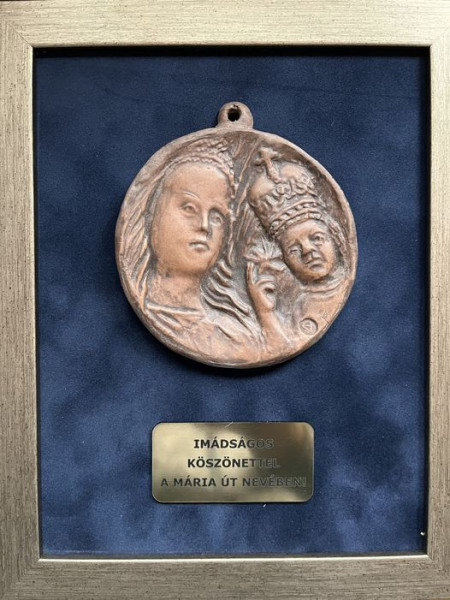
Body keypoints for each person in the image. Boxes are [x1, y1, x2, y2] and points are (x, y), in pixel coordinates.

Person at [121, 138, 260, 365]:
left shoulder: (237, 339)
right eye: (189, 207)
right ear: (153, 215)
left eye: (217, 216)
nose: (204, 225)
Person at [245, 152, 348, 352]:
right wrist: (265, 314)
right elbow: (280, 348)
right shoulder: (293, 308)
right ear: (283, 258)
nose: (308, 251)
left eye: (317, 238)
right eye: (293, 248)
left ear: (335, 237)